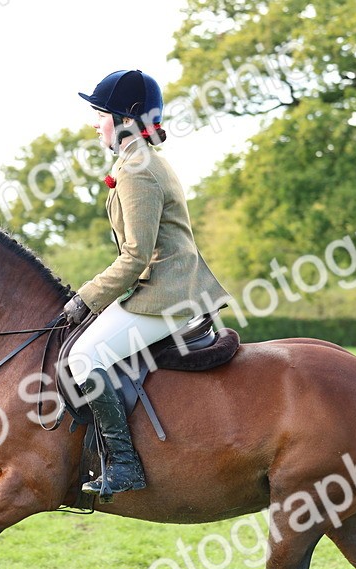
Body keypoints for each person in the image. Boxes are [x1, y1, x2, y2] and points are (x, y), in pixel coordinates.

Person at [63, 69, 232, 499]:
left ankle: (123, 465)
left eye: (100, 114)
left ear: (124, 118)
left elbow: (136, 255)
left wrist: (86, 297)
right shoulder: (142, 161)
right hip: (167, 287)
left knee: (84, 355)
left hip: (165, 295)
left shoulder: (137, 169)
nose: (95, 123)